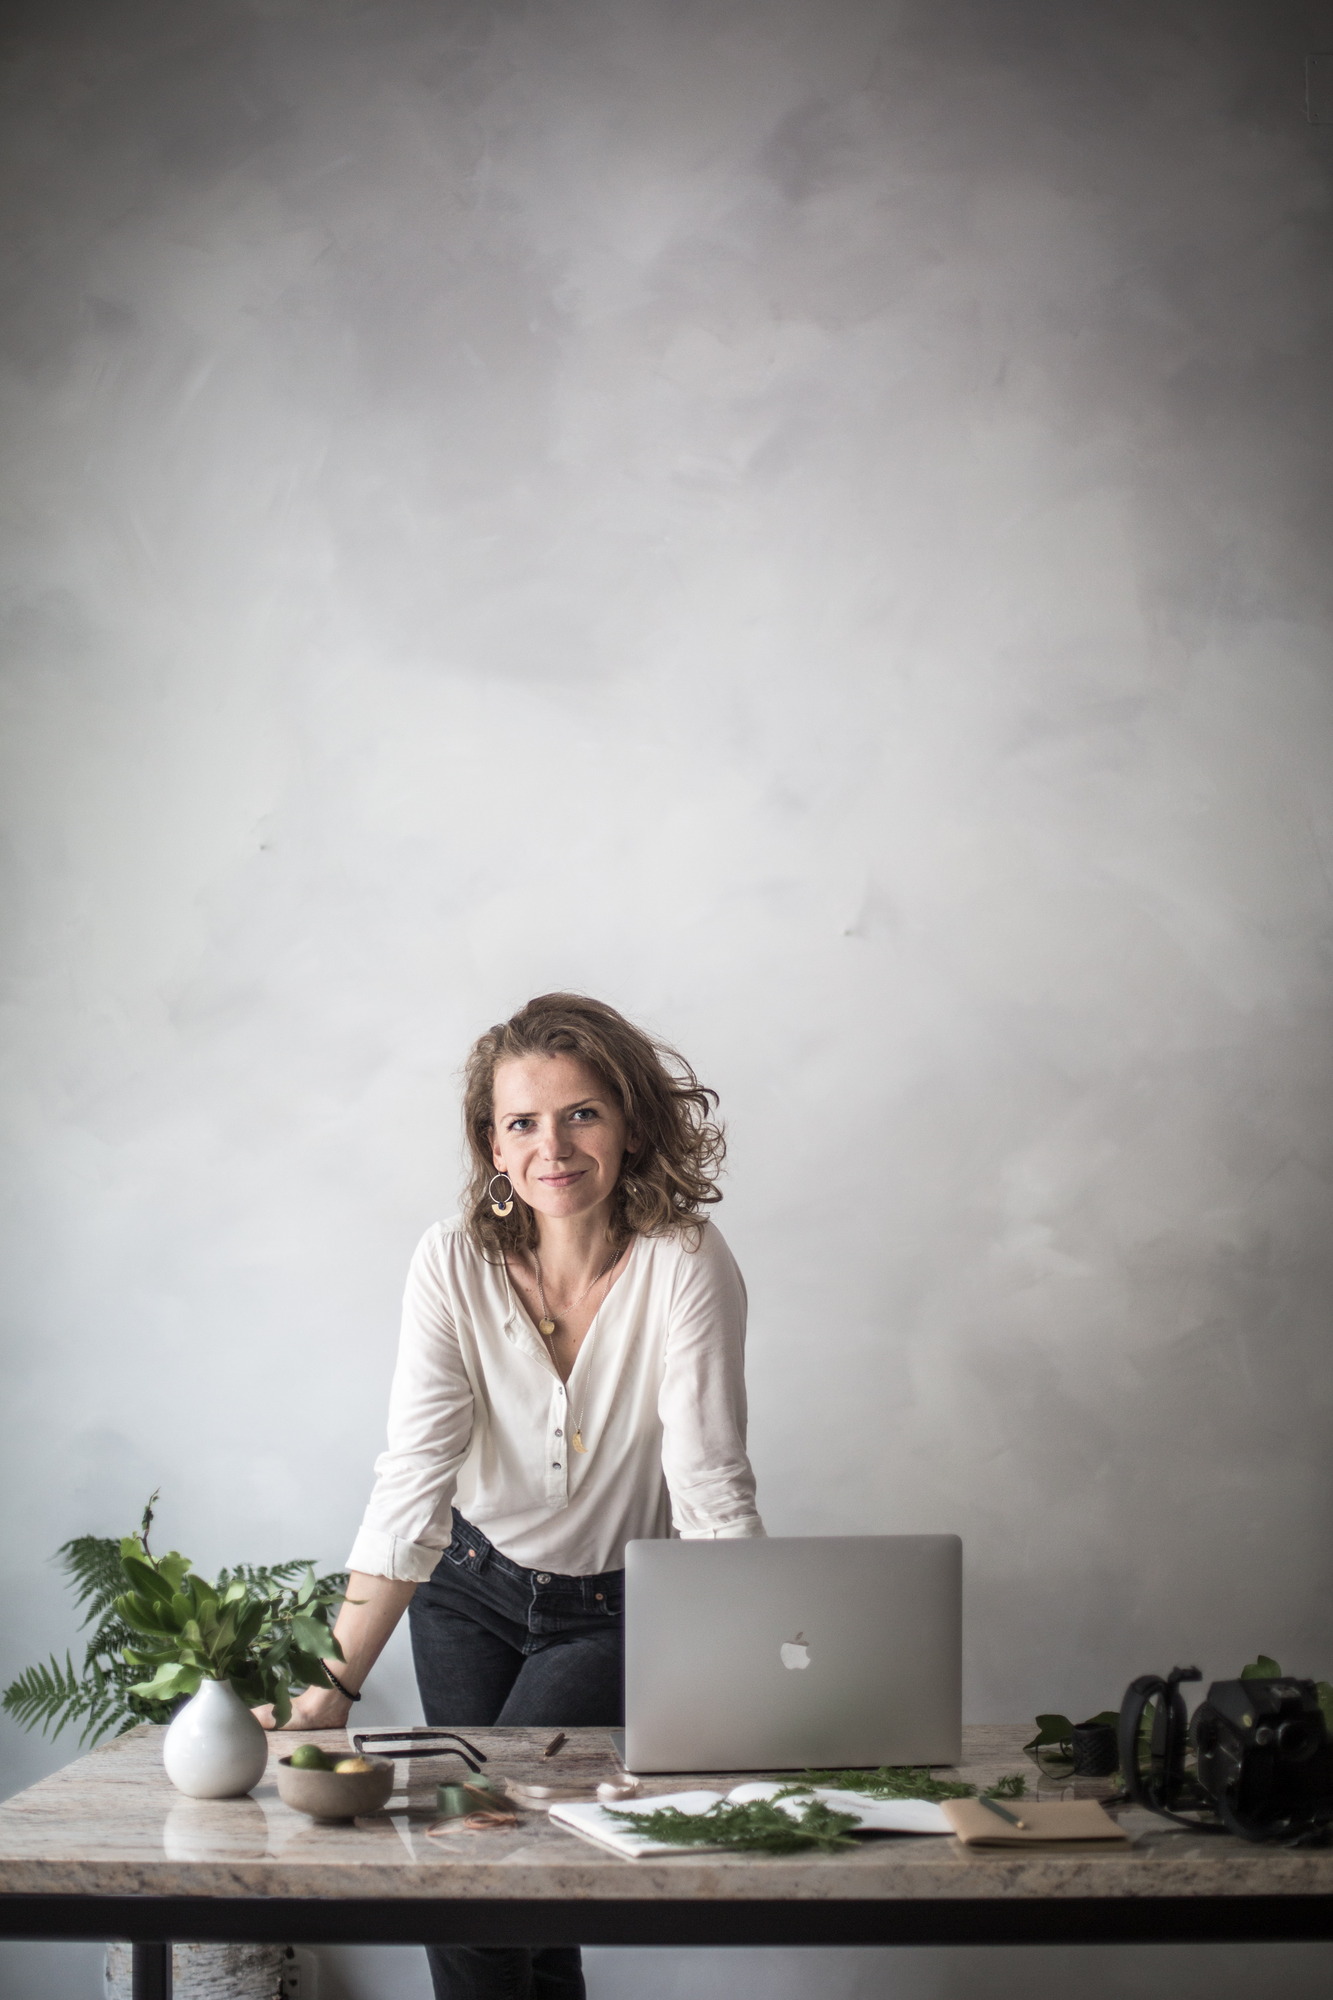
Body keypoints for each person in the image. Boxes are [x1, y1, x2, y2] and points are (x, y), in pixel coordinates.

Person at [258, 992, 764, 2000]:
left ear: (629, 1124)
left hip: (615, 1608)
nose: (553, 1147)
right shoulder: (450, 1260)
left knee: (470, 1852)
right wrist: (330, 1688)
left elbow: (708, 1486)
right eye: (523, 1122)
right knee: (518, 1889)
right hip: (465, 1591)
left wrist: (745, 1676)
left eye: (581, 1114)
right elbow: (414, 1476)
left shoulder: (684, 1261)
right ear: (492, 1145)